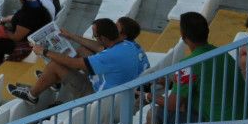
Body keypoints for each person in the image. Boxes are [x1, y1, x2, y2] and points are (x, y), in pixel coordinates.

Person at [8, 17, 148, 105]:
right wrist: (71, 36)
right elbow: (99, 47)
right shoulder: (130, 45)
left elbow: (75, 64)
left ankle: (32, 95)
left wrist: (44, 51)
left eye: (115, 27)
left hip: (97, 97)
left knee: (54, 64)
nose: (113, 28)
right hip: (121, 86)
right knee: (81, 50)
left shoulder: (110, 56)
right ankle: (54, 80)